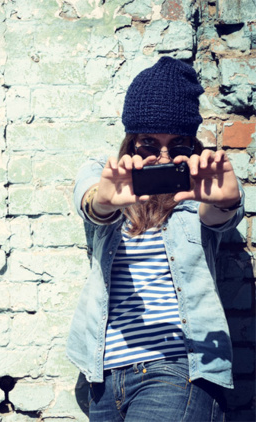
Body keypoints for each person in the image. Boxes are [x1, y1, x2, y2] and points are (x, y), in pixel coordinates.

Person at [67, 56, 243, 421]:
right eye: (148, 142)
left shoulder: (204, 181)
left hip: (180, 368)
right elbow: (90, 204)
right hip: (103, 377)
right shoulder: (104, 172)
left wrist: (226, 202)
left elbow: (220, 215)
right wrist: (103, 200)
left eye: (177, 143)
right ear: (131, 139)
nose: (163, 156)